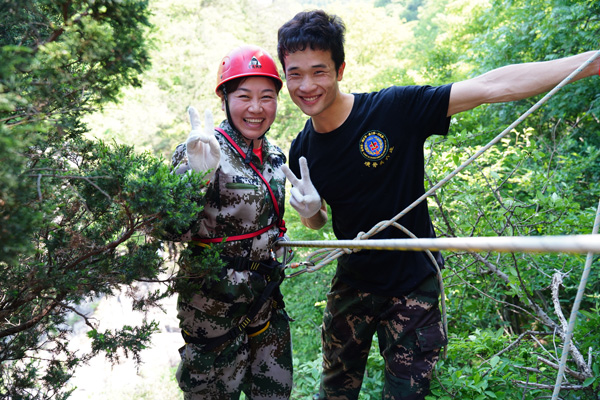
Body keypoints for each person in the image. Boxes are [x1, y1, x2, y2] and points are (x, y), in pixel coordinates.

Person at [276, 9, 600, 400]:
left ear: (340, 69)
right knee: (333, 394)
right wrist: (310, 211)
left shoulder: (392, 109)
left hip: (414, 282)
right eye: (295, 73)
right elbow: (318, 223)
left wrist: (590, 62)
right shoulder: (303, 149)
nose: (307, 85)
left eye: (319, 71)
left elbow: (490, 86)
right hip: (353, 283)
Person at [169, 44, 293, 400]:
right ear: (224, 97)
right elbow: (169, 227)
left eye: (267, 97)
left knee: (274, 393)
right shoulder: (202, 149)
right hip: (213, 311)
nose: (256, 108)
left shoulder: (275, 157)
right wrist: (196, 181)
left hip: (264, 302)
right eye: (244, 96)